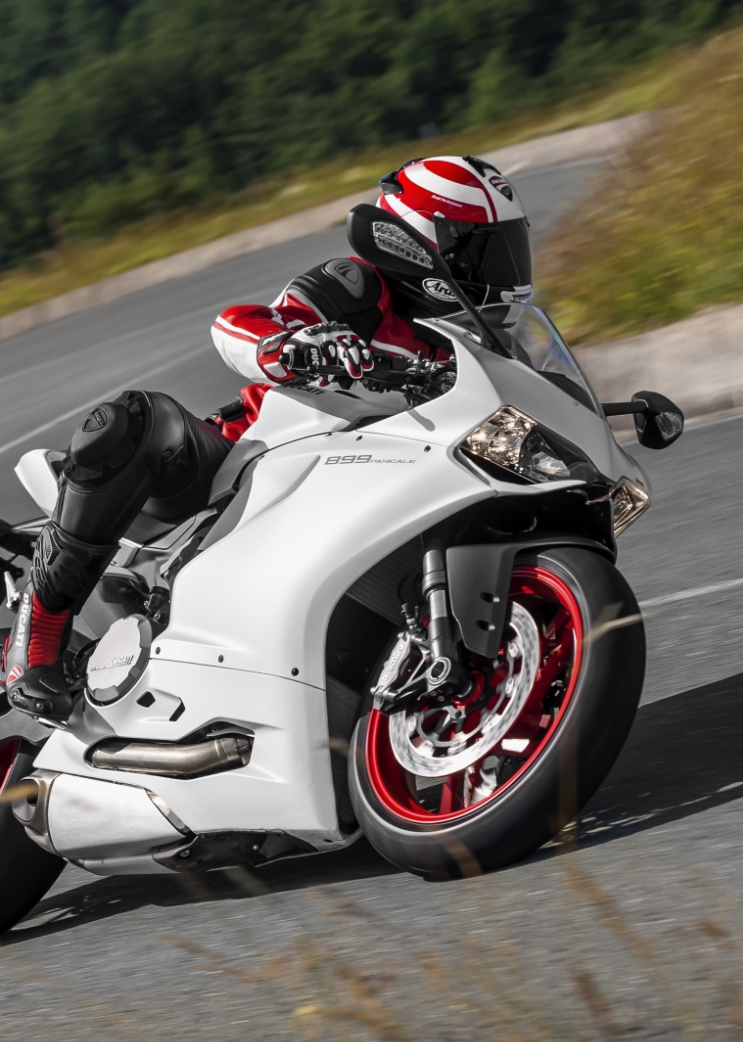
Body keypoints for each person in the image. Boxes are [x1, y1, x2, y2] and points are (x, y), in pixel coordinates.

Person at [3, 155, 532, 720]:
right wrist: (293, 346)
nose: (503, 267)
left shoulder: (490, 349)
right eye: (480, 249)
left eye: (507, 247)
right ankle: (37, 636)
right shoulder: (354, 289)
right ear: (419, 244)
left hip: (381, 492)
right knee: (137, 417)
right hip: (238, 470)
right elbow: (240, 322)